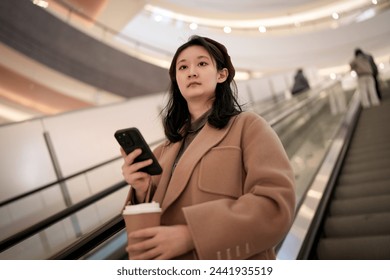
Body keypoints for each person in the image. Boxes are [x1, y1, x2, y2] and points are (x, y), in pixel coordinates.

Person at [120, 35, 296, 260]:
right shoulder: (162, 151)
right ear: (176, 79)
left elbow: (275, 206)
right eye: (182, 67)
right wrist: (142, 190)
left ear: (222, 75)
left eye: (202, 64)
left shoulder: (248, 127)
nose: (191, 72)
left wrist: (192, 235)